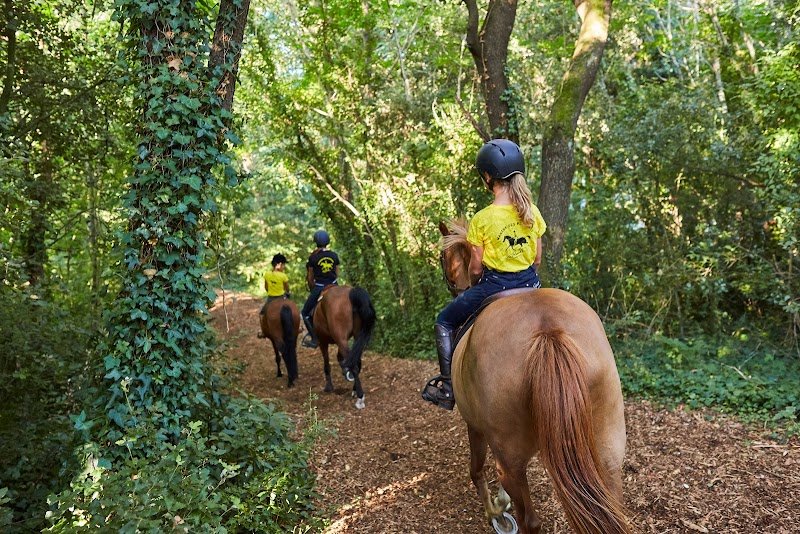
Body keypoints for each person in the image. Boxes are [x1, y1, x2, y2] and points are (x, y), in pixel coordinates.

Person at [421, 139, 547, 411]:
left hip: (494, 286)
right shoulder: (532, 212)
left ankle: (448, 387)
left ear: (488, 177)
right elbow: (537, 259)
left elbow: (476, 268)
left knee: (444, 321)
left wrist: (478, 282)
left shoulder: (483, 218)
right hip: (531, 284)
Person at [301, 229, 340, 348]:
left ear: (316, 242)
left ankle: (314, 338)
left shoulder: (313, 257)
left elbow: (310, 277)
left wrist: (313, 288)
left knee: (305, 313)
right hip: (334, 285)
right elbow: (337, 273)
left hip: (320, 286)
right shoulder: (334, 255)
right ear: (327, 241)